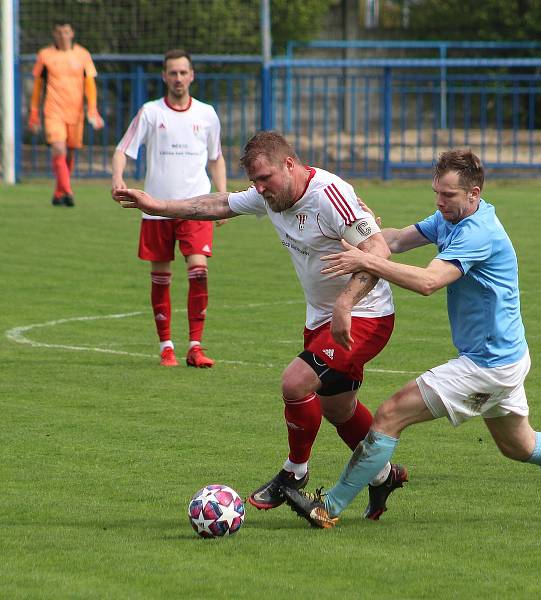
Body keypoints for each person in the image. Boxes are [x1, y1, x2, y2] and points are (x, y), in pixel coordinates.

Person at [280, 149, 541, 529]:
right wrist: (362, 233)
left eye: (448, 195)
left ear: (474, 193)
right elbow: (398, 239)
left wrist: (368, 261)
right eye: (437, 193)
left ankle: (328, 508)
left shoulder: (476, 231)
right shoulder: (450, 217)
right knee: (521, 445)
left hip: (486, 365)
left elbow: (428, 282)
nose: (440, 201)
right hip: (506, 357)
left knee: (389, 414)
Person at [113, 130, 406, 519]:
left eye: (265, 178)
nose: (260, 189)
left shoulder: (330, 195)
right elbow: (219, 203)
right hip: (322, 317)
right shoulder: (272, 195)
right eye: (254, 182)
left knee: (295, 382)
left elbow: (377, 250)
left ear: (289, 164)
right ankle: (383, 475)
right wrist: (157, 205)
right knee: (339, 409)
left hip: (365, 316)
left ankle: (294, 473)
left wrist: (346, 303)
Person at [111, 49, 226, 369]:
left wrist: (222, 197)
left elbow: (216, 157)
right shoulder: (150, 113)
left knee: (199, 271)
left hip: (197, 206)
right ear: (164, 77)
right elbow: (122, 149)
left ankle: (196, 346)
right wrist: (118, 177)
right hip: (156, 209)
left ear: (192, 76)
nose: (178, 78)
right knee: (161, 276)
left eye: (183, 72)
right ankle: (166, 347)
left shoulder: (206, 114)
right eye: (172, 73)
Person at [29, 20, 104, 207]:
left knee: (69, 153)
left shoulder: (83, 54)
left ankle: (58, 192)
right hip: (53, 111)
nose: (63, 35)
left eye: (66, 32)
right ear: (54, 34)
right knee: (59, 149)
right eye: (59, 32)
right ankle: (68, 191)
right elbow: (38, 86)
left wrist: (92, 109)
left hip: (76, 112)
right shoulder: (45, 55)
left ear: (72, 33)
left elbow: (90, 85)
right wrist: (34, 113)